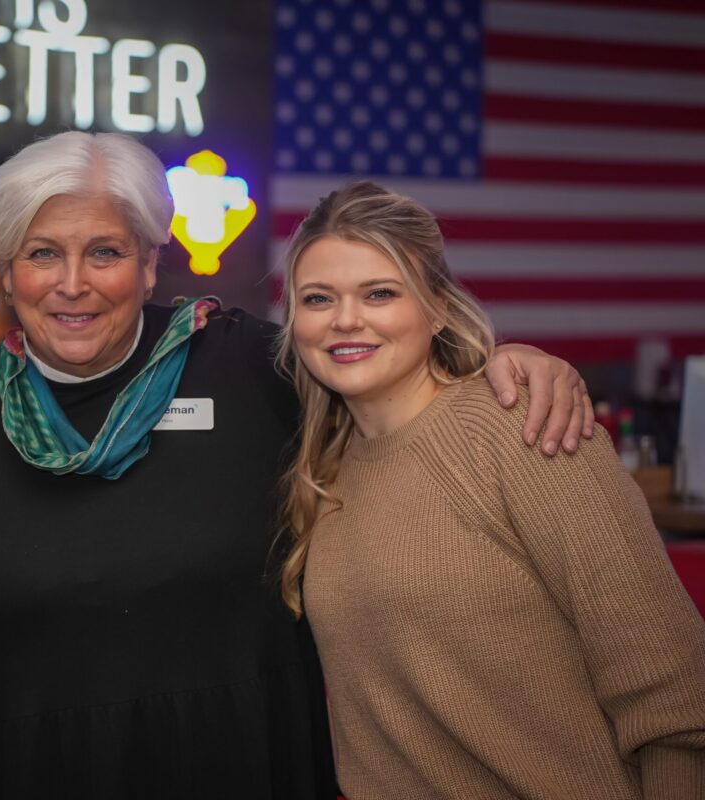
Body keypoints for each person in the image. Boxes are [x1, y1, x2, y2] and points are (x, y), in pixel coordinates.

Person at [0, 132, 594, 799]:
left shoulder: (256, 369)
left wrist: (495, 364)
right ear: (5, 273)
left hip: (250, 766)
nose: (74, 283)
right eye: (42, 255)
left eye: (105, 252)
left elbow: (398, 384)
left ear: (152, 261)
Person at [278, 181, 705, 799]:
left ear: (438, 307)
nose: (346, 319)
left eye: (380, 292)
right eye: (318, 298)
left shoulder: (525, 426)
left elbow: (673, 691)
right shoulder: (323, 465)